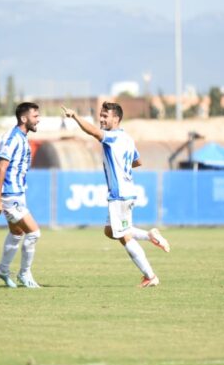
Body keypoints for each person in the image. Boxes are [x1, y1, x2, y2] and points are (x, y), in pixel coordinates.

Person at [62, 102, 170, 288]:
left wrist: (75, 117)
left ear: (116, 119)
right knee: (110, 231)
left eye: (106, 116)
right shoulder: (127, 138)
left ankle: (150, 276)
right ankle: (150, 235)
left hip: (120, 194)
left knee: (124, 237)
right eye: (101, 115)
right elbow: (137, 161)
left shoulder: (113, 137)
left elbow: (94, 132)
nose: (102, 119)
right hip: (125, 191)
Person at [0, 102, 42, 289]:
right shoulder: (13, 137)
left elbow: (6, 170)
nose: (38, 119)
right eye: (35, 116)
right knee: (34, 233)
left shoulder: (22, 137)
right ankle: (25, 274)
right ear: (24, 118)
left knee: (17, 233)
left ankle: (2, 269)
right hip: (11, 195)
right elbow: (1, 167)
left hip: (16, 192)